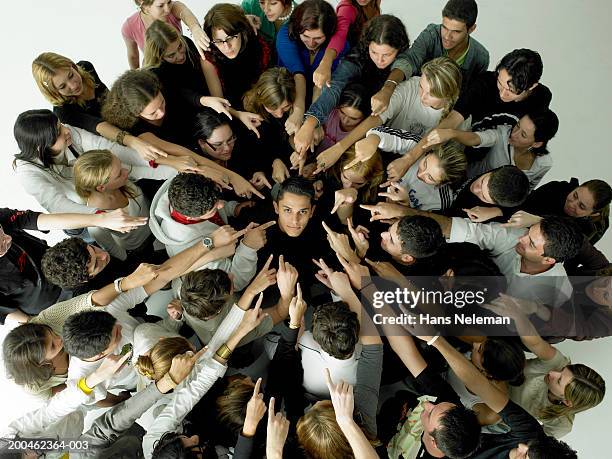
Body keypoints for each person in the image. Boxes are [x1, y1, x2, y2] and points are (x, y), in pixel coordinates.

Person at [361, 205, 583, 308]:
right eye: (528, 232)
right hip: (462, 272)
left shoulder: (558, 293)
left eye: (531, 243)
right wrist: (402, 212)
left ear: (549, 260)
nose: (521, 239)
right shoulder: (513, 236)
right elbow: (465, 229)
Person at [101, 68, 262, 198]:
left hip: (195, 141)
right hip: (178, 168)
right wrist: (234, 178)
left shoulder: (161, 82)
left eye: (162, 103)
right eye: (153, 113)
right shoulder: (138, 130)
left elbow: (186, 95)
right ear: (135, 114)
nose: (161, 113)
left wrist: (236, 113)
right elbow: (185, 154)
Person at [411, 334, 578, 458]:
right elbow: (481, 386)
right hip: (451, 436)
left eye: (526, 457)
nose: (520, 447)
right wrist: (435, 340)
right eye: (529, 448)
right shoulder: (530, 434)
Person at [314, 56, 463, 175]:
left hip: (415, 167)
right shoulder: (410, 86)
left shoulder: (457, 117)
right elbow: (378, 116)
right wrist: (339, 148)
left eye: (431, 94)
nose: (422, 96)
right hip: (380, 147)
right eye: (421, 87)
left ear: (448, 95)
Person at [13, 109, 177, 217]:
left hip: (111, 190)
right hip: (83, 214)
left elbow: (115, 152)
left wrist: (172, 166)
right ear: (42, 146)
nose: (67, 130)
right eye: (59, 132)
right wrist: (103, 217)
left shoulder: (70, 132)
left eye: (60, 124)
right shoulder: (27, 174)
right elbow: (57, 204)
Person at [484, 296, 606, 438]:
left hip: (497, 412)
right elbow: (534, 342)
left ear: (567, 401)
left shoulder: (561, 425)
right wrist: (518, 315)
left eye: (559, 380)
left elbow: (534, 443)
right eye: (562, 371)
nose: (553, 373)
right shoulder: (559, 362)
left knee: (491, 416)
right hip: (495, 374)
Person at [293, 14, 411, 157]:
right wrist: (309, 124)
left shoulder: (404, 65)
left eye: (387, 54)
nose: (380, 60)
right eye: (374, 52)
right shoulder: (357, 57)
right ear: (367, 45)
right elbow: (334, 88)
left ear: (399, 49)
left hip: (380, 133)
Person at [0, 207, 145, 322]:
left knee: (111, 269)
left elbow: (37, 220)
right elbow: (7, 312)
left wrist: (101, 219)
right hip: (53, 304)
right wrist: (39, 324)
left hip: (65, 264)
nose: (8, 237)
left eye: (1, 231)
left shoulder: (92, 259)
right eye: (1, 244)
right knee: (111, 310)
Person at [32, 52, 165, 161]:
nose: (73, 85)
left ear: (72, 65)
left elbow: (111, 100)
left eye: (71, 75)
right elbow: (100, 127)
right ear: (54, 92)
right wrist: (134, 142)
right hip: (113, 145)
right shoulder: (63, 111)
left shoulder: (86, 67)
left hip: (125, 121)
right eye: (62, 86)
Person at [148, 173, 271, 291]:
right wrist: (248, 247)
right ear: (190, 217)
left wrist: (233, 208)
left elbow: (216, 204)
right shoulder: (184, 248)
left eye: (218, 199)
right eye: (213, 209)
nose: (221, 205)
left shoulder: (186, 189)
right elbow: (235, 282)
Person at [428, 108, 560, 191]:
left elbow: (525, 191)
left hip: (491, 201)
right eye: (518, 125)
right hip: (465, 182)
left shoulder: (544, 164)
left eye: (523, 134)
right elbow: (476, 138)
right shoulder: (503, 133)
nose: (514, 134)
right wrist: (453, 133)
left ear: (537, 143)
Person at [276, 0, 349, 132]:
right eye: (305, 36)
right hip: (289, 96)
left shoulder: (339, 46)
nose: (311, 43)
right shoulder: (285, 34)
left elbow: (321, 85)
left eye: (318, 38)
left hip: (324, 99)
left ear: (330, 33)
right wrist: (297, 112)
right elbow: (298, 75)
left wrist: (314, 120)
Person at [73, 149, 153, 261]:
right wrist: (130, 259)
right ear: (101, 188)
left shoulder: (122, 182)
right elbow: (114, 250)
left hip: (152, 224)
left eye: (121, 167)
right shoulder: (96, 224)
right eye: (119, 174)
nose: (126, 171)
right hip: (139, 245)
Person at [143, 20, 223, 119]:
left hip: (210, 99)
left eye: (180, 46)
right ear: (159, 57)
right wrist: (205, 100)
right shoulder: (155, 72)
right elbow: (181, 93)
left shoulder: (186, 42)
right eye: (171, 55)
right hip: (185, 113)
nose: (180, 56)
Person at [402, 0, 489, 90]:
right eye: (444, 27)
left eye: (456, 31)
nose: (447, 36)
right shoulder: (431, 35)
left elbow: (473, 92)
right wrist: (390, 85)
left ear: (471, 29)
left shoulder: (481, 58)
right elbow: (409, 60)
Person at [202, 3, 272, 109]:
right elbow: (220, 103)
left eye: (230, 38)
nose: (227, 47)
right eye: (219, 41)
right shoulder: (209, 58)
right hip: (232, 111)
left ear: (242, 32)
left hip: (263, 101)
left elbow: (270, 84)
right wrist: (240, 115)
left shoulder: (259, 44)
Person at [508, 178, 612, 245]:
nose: (572, 204)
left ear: (593, 214)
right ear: (577, 187)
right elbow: (521, 205)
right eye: (575, 195)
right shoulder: (557, 188)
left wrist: (538, 221)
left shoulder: (588, 230)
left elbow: (562, 247)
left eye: (581, 206)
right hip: (511, 231)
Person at [241, 66, 297, 181]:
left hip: (288, 161)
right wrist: (273, 161)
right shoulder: (249, 108)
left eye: (285, 107)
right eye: (273, 107)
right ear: (260, 96)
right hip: (260, 165)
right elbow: (251, 149)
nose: (280, 114)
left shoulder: (296, 108)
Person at [312, 0, 382, 90]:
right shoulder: (347, 8)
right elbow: (339, 34)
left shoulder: (374, 4)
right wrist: (325, 64)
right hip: (336, 60)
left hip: (360, 64)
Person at [383, 140, 467, 212]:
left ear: (442, 184)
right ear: (429, 153)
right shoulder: (417, 149)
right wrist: (406, 159)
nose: (420, 174)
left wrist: (404, 205)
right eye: (425, 164)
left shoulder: (442, 201)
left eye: (430, 177)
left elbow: (417, 223)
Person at [122, 0, 209, 69]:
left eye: (169, 1)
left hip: (184, 64)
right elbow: (133, 56)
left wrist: (195, 28)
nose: (168, 10)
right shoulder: (129, 26)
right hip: (157, 70)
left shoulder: (174, 7)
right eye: (160, 5)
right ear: (145, 6)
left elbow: (185, 13)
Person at [445, 166, 530, 222]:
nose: (475, 189)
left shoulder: (476, 215)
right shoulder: (509, 172)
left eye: (483, 196)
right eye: (482, 182)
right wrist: (497, 211)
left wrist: (496, 212)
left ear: (493, 204)